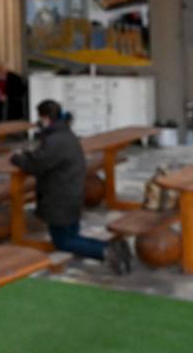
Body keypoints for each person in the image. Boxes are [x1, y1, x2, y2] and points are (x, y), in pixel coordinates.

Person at [11, 99, 133, 274]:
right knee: (71, 236)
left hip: (59, 195)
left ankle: (105, 251)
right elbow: (45, 158)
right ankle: (112, 246)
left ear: (45, 118)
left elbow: (37, 164)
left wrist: (18, 158)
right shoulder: (66, 134)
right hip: (72, 191)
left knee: (63, 241)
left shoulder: (55, 139)